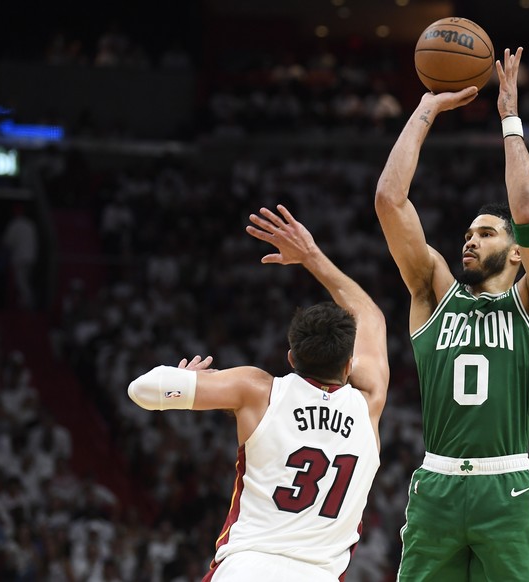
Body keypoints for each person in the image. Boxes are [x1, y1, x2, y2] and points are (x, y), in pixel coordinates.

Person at [374, 47, 529, 581]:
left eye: (486, 233)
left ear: (513, 252)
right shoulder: (434, 292)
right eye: (467, 232)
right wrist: (425, 109)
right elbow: (390, 200)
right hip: (436, 482)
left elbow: (528, 212)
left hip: (505, 485)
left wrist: (509, 119)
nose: (470, 240)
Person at [126, 204, 389, 582]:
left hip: (246, 568)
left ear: (290, 357)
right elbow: (371, 315)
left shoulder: (257, 389)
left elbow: (142, 391)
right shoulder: (369, 402)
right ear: (349, 365)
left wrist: (181, 378)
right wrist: (312, 256)